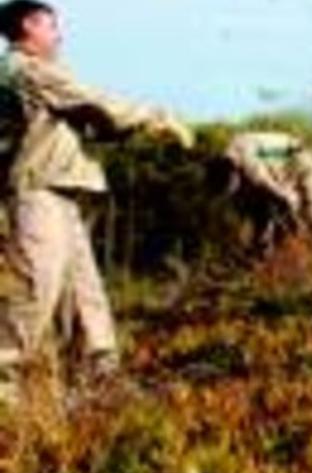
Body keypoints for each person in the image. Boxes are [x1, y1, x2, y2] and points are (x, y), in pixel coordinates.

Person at [0, 0, 193, 407]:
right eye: (52, 27)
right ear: (28, 26)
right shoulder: (24, 69)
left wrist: (132, 126)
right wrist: (156, 118)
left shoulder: (41, 75)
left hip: (62, 194)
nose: (59, 36)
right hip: (38, 193)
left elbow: (94, 121)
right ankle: (4, 385)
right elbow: (92, 103)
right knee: (37, 292)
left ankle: (98, 383)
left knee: (85, 297)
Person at [208, 131, 312, 270]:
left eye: (232, 188)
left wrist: (289, 202)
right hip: (277, 167)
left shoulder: (251, 167)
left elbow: (279, 193)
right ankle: (262, 260)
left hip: (299, 161)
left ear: (234, 174)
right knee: (262, 214)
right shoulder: (226, 163)